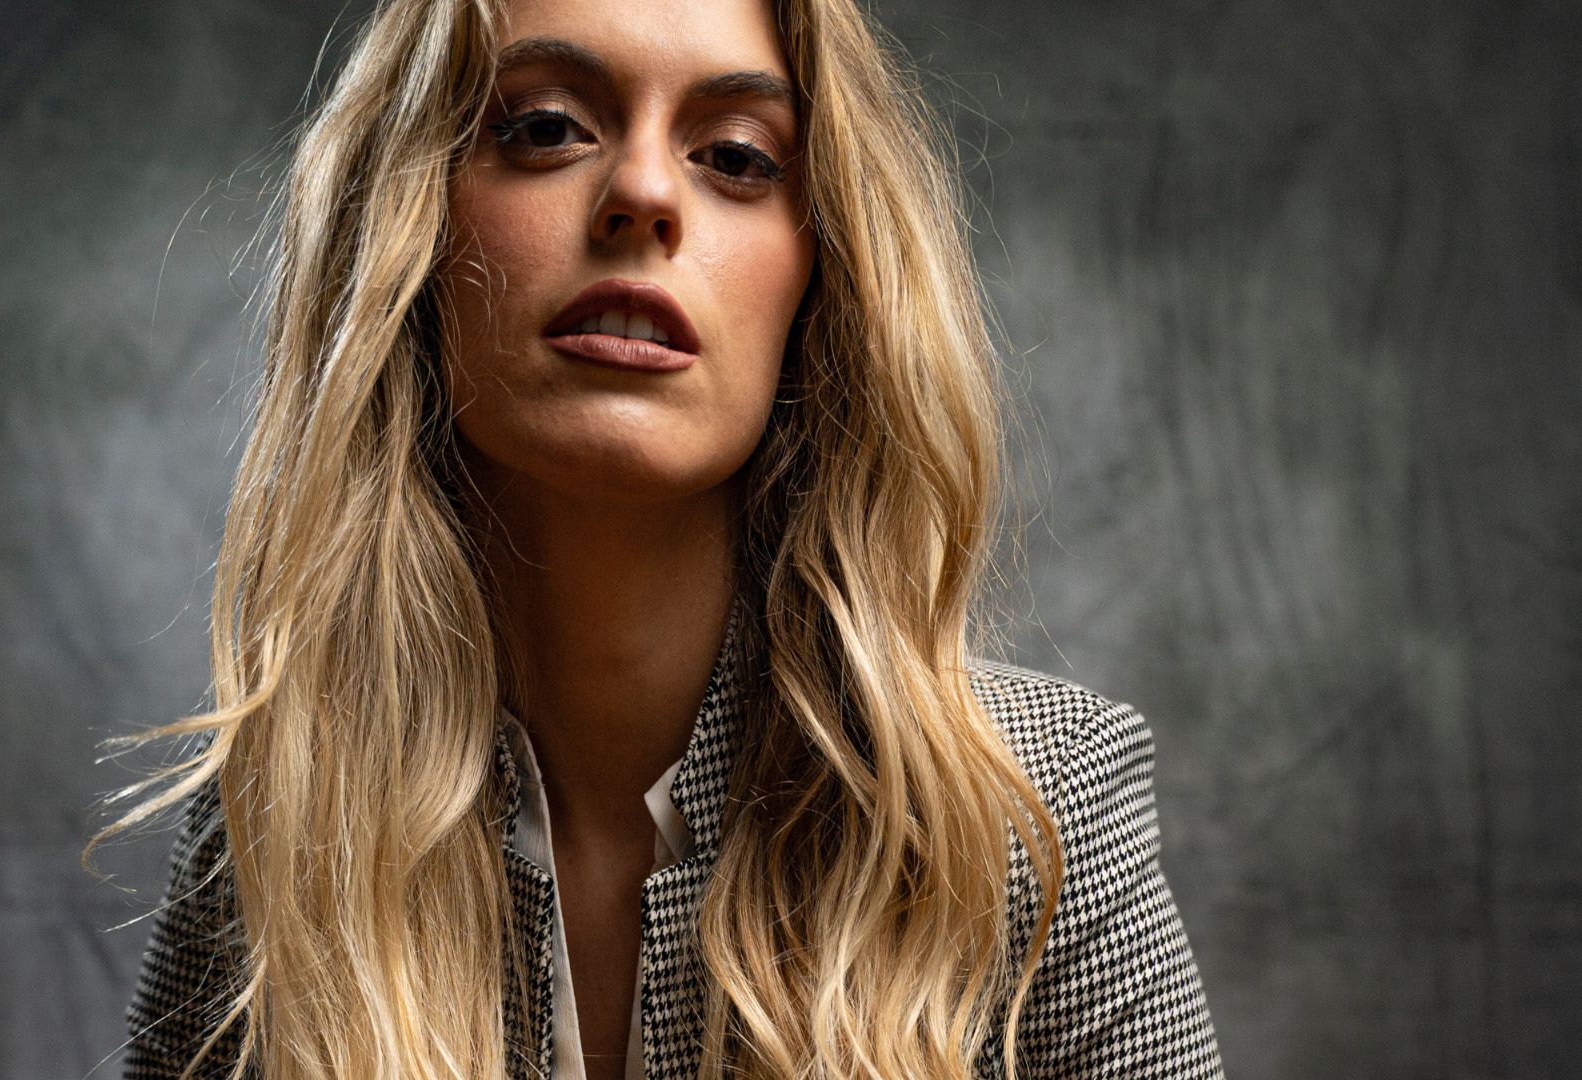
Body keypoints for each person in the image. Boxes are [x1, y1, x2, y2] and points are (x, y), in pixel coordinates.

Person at [95, 0, 1225, 1076]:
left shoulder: (1030, 817)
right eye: (546, 128)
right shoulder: (284, 822)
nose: (641, 191)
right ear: (408, 224)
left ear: (823, 271)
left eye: (735, 155)